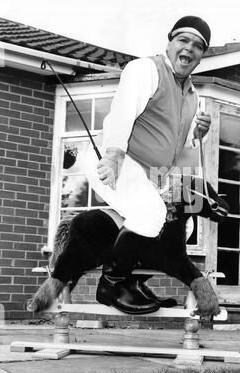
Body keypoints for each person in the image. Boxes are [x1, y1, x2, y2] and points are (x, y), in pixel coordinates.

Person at [85, 15, 220, 315]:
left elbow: (181, 150)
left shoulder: (192, 95)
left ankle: (136, 282)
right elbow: (122, 111)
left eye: (198, 46)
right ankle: (112, 284)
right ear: (169, 41)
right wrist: (114, 155)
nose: (189, 49)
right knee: (150, 212)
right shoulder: (146, 69)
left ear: (202, 55)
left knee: (176, 227)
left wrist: (198, 134)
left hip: (151, 175)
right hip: (116, 160)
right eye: (183, 40)